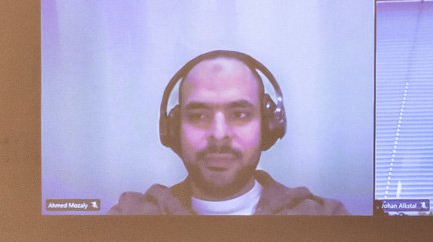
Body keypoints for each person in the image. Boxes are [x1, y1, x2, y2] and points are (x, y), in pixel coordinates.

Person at [108, 50, 348, 215]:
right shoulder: (131, 214)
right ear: (172, 129)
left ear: (268, 126)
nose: (219, 134)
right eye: (199, 115)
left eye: (240, 114)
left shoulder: (322, 216)